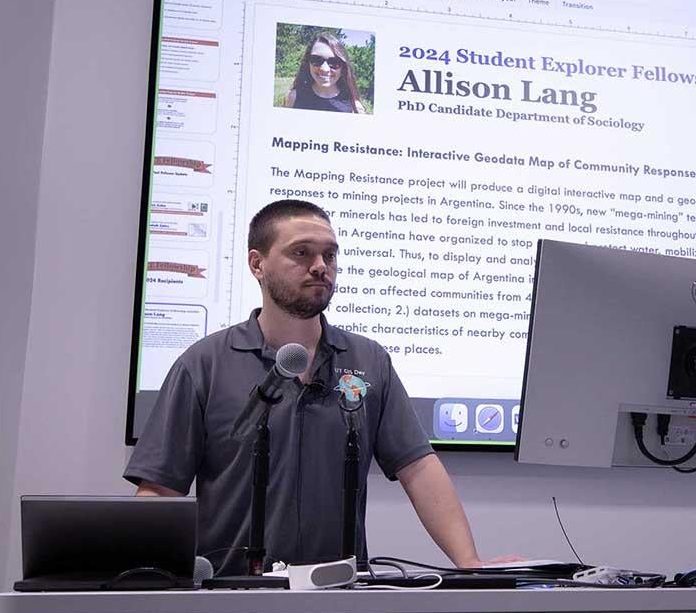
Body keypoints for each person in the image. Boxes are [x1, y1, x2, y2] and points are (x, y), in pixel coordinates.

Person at [125, 199, 482, 574]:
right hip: (229, 600)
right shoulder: (205, 363)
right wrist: (141, 580)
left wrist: (469, 561)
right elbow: (161, 489)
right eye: (301, 253)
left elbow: (419, 468)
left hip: (338, 600)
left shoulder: (369, 360)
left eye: (330, 255)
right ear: (256, 264)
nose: (320, 267)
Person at [283, 34, 366, 113]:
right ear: (308, 63)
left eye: (334, 62)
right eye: (316, 60)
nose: (324, 69)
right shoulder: (292, 98)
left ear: (343, 67)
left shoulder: (354, 108)